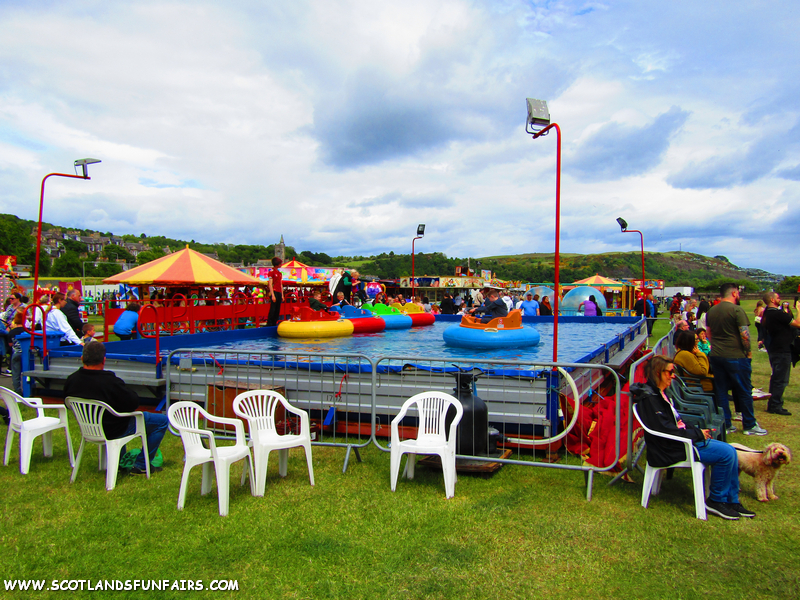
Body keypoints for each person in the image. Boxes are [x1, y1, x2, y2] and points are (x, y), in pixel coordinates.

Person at [632, 355, 753, 520]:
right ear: (658, 372)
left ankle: (731, 500)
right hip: (673, 448)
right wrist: (697, 434)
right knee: (726, 454)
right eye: (670, 372)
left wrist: (698, 430)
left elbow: (676, 422)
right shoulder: (651, 399)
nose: (673, 376)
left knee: (731, 450)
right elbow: (666, 430)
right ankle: (716, 500)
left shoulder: (660, 394)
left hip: (682, 441)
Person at [63, 342, 168, 475]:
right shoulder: (109, 381)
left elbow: (68, 404)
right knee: (161, 421)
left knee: (117, 416)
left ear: (82, 358)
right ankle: (142, 464)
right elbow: (132, 403)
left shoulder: (72, 380)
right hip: (114, 429)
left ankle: (119, 462)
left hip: (89, 429)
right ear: (104, 360)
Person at [706, 283, 766, 436]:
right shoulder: (737, 310)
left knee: (721, 391)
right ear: (734, 293)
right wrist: (748, 352)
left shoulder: (711, 311)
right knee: (744, 390)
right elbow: (744, 334)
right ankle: (749, 425)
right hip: (736, 356)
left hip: (717, 355)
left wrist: (716, 347)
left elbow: (708, 334)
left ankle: (726, 424)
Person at [761, 291, 800, 416]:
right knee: (781, 379)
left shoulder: (768, 313)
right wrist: (799, 310)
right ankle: (775, 404)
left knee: (776, 377)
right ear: (772, 300)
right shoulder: (777, 314)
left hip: (775, 348)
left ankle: (774, 402)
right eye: (778, 297)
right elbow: (798, 324)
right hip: (781, 349)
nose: (780, 299)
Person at [266, 257, 283, 327]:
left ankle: (275, 322)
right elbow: (270, 284)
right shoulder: (271, 272)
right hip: (275, 291)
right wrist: (273, 295)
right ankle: (270, 323)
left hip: (279, 291)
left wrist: (282, 295)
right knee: (273, 308)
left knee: (277, 309)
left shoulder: (279, 273)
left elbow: (281, 284)